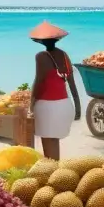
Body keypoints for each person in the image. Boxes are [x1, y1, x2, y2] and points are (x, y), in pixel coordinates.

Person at [29, 21, 82, 160]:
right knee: (54, 142)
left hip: (48, 107)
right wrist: (78, 107)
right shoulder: (64, 55)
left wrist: (31, 104)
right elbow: (71, 82)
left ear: (41, 40)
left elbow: (38, 82)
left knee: (48, 145)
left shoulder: (41, 56)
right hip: (65, 105)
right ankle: (56, 173)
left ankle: (52, 175)